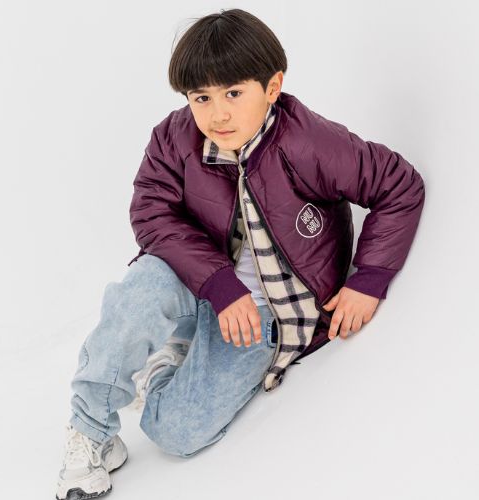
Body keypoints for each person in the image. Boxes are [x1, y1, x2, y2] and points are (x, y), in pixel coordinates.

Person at [55, 7, 425, 500]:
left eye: (233, 93)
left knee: (175, 435)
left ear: (272, 87)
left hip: (264, 314)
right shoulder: (173, 138)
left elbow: (399, 185)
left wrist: (368, 279)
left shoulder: (309, 142)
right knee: (138, 293)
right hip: (199, 280)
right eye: (201, 98)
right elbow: (151, 213)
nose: (218, 115)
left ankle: (168, 362)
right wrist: (218, 285)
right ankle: (92, 431)